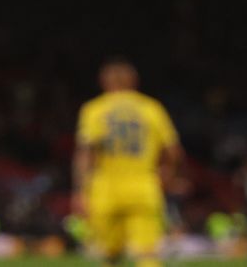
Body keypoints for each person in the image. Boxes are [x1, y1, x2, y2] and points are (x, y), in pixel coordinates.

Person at [72, 60, 182, 267]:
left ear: (103, 82)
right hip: (144, 184)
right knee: (147, 253)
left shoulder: (94, 109)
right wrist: (168, 173)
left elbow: (85, 153)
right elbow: (174, 150)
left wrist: (79, 190)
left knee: (109, 255)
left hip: (105, 187)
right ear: (134, 81)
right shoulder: (151, 108)